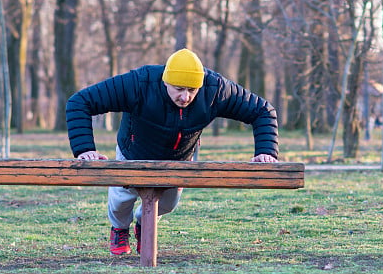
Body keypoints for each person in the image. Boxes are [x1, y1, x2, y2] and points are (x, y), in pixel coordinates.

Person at [66, 48, 279, 255]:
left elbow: (262, 110)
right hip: (132, 153)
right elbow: (80, 102)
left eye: (192, 90)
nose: (185, 97)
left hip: (179, 160)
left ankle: (144, 223)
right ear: (165, 81)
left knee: (167, 204)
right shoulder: (139, 83)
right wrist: (85, 149)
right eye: (178, 89)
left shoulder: (216, 90)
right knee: (122, 200)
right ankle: (120, 230)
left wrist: (266, 151)